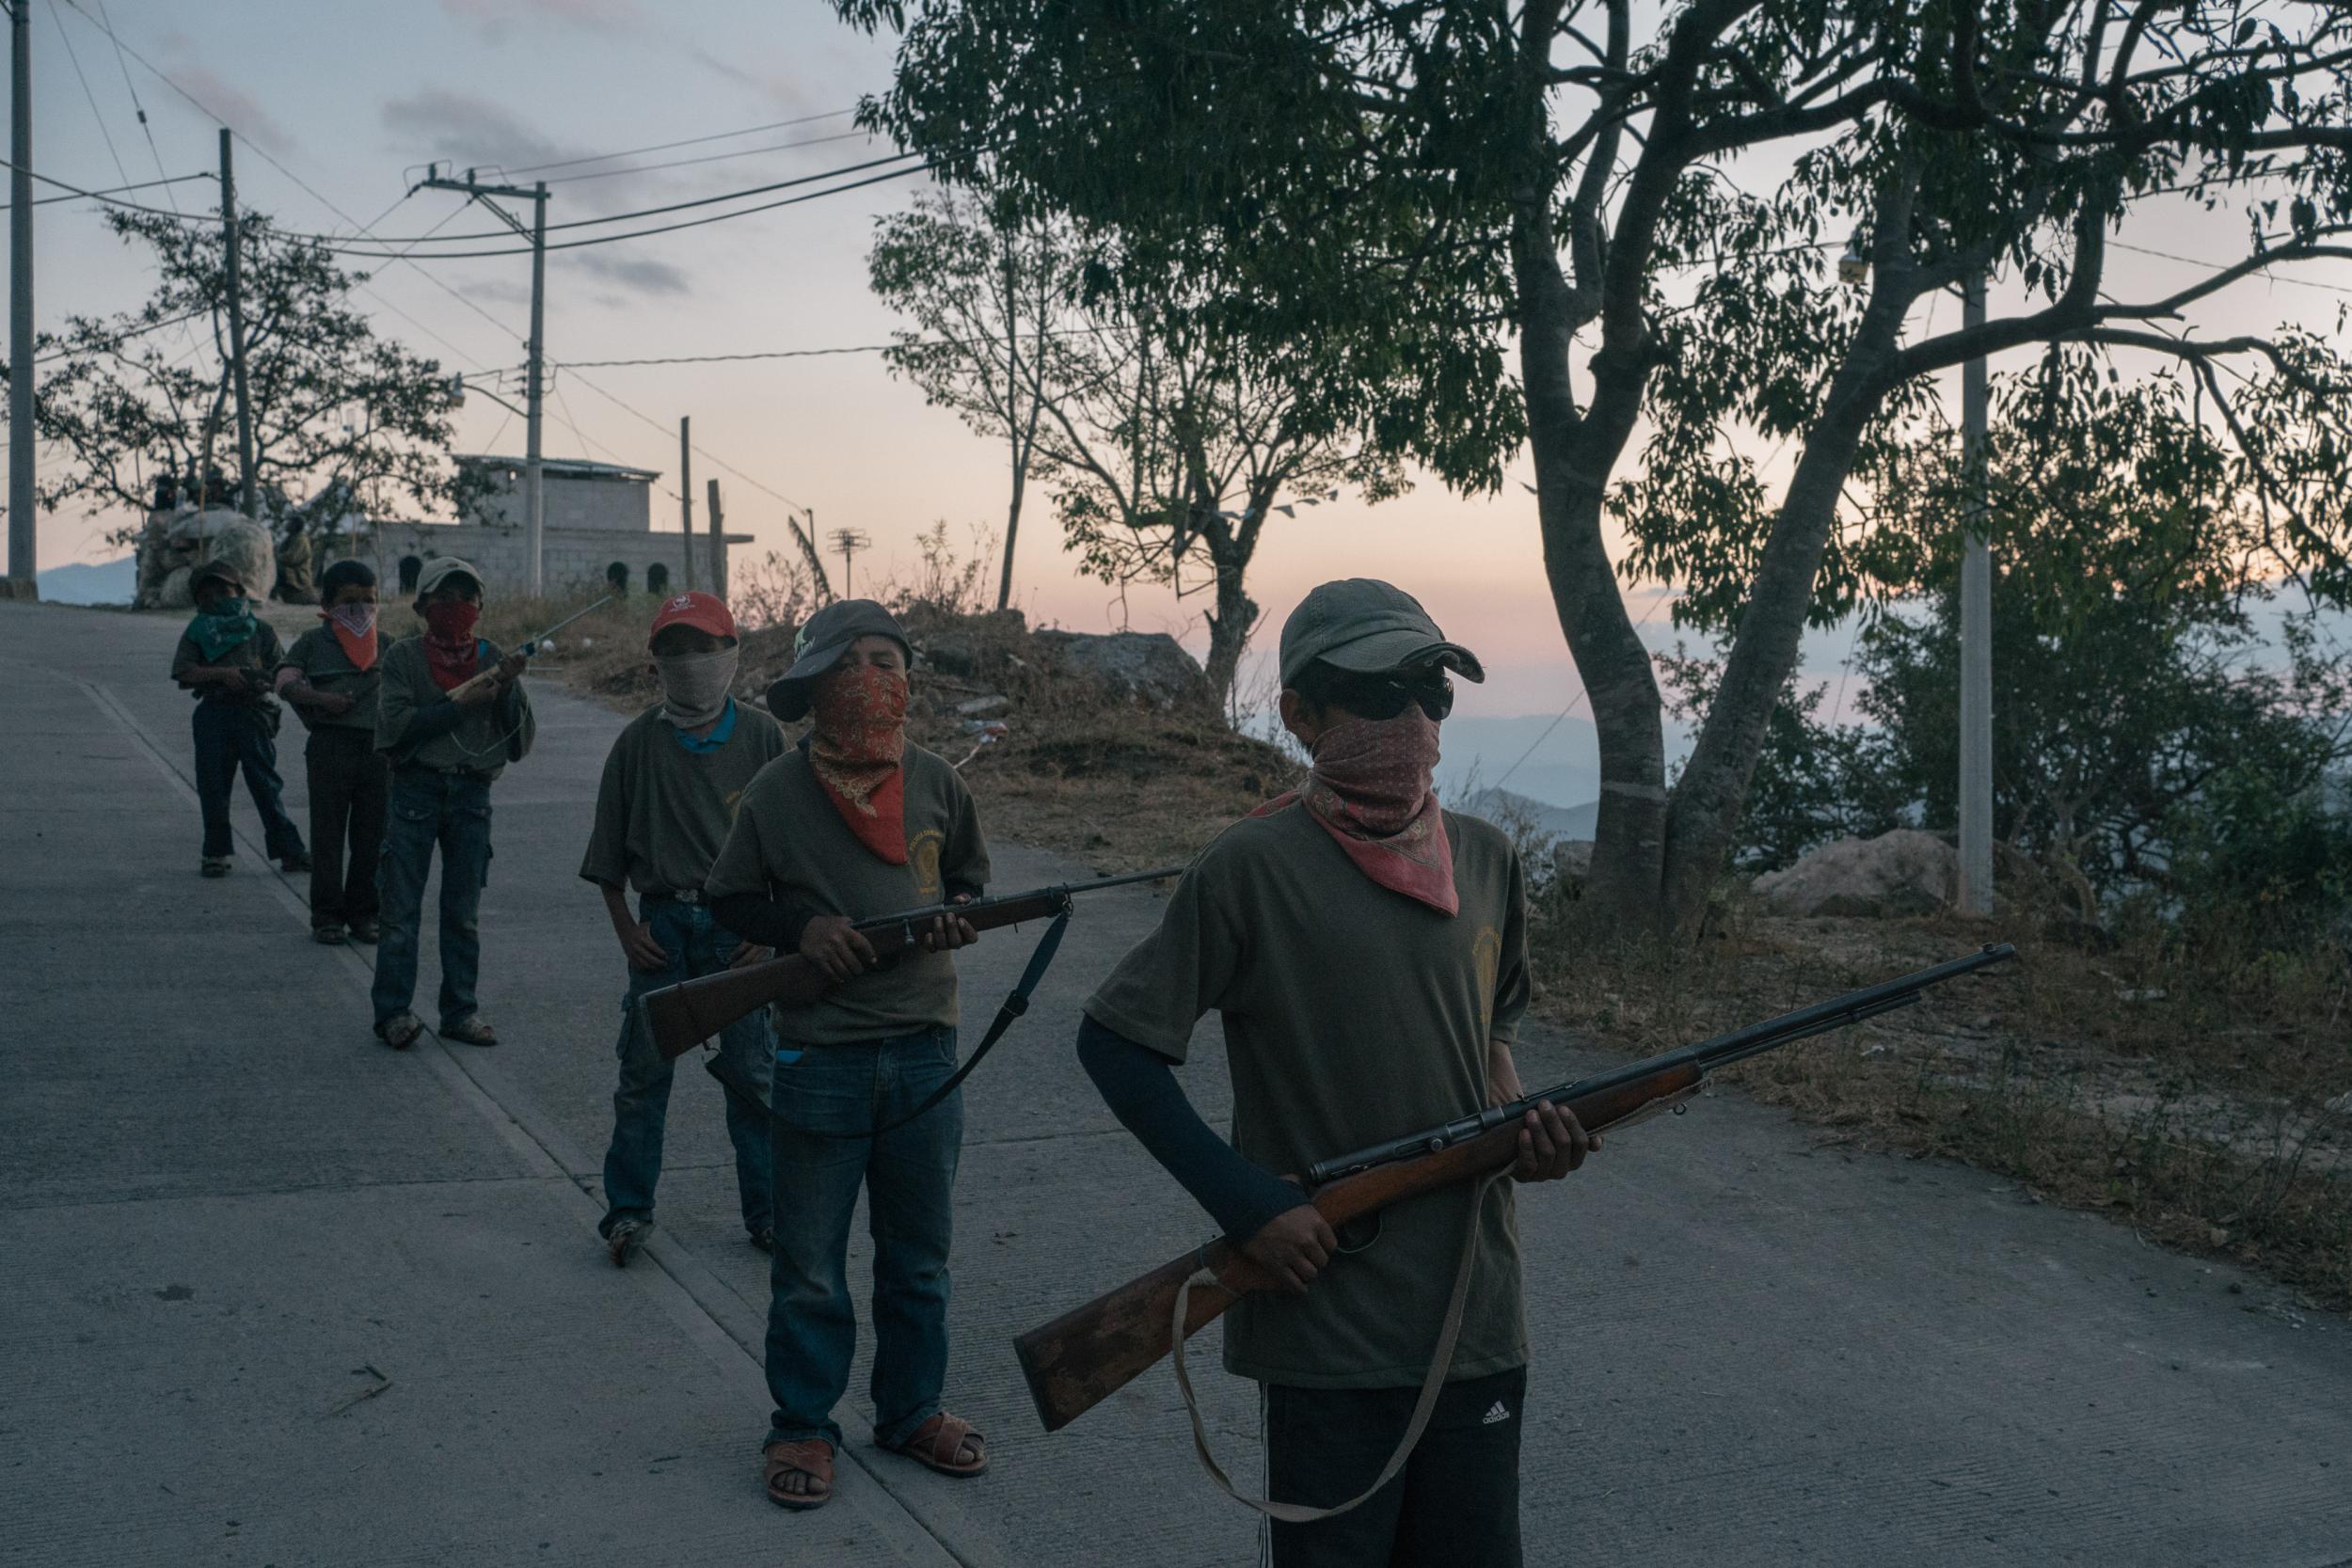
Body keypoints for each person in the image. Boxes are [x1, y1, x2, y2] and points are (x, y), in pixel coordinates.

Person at [1075, 578, 1597, 1568]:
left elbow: (1495, 1023)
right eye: (1379, 691)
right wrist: (1246, 1205)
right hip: (1329, 1319)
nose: (1411, 717)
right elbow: (1115, 1044)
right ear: (1301, 715)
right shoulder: (1249, 868)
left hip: (1474, 1307)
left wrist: (1522, 1126)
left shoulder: (1484, 858)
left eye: (1431, 691)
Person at [704, 598, 992, 1513]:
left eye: (887, 658)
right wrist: (806, 927)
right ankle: (801, 1422)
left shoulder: (941, 780)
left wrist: (955, 912)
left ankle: (910, 1410)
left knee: (918, 1258)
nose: (872, 676)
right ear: (816, 685)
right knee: (812, 1264)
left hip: (923, 1051)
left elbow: (971, 881)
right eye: (850, 661)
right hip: (820, 1055)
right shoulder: (778, 792)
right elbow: (731, 898)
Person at [580, 591, 787, 1267]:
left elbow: (791, 851)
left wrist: (775, 929)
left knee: (754, 1075)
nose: (689, 662)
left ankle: (769, 1213)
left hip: (740, 931)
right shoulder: (638, 742)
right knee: (643, 1075)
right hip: (662, 926)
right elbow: (607, 860)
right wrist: (624, 930)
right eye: (673, 649)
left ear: (731, 655)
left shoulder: (762, 737)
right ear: (655, 663)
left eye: (702, 647)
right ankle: (628, 1210)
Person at [371, 557, 534, 1051]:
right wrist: (459, 703)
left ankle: (460, 1011)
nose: (455, 607)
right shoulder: (402, 658)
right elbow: (397, 730)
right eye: (443, 597)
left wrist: (505, 688)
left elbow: (520, 740)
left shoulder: (492, 656)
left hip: (471, 796)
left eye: (465, 598)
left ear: (480, 607)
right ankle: (393, 1014)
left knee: (463, 913)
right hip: (415, 792)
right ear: (421, 606)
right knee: (400, 912)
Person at [170, 558, 310, 879]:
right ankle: (215, 853)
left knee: (266, 786)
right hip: (214, 714)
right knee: (213, 788)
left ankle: (289, 851)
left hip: (253, 714)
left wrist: (263, 681)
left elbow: (281, 670)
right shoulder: (197, 631)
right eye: (206, 595)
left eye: (223, 590)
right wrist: (223, 674)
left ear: (239, 591)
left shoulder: (260, 630)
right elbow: (182, 671)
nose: (216, 599)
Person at [275, 559, 389, 944]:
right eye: (349, 601)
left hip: (379, 752)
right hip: (330, 746)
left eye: (368, 600)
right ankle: (326, 916)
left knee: (372, 837)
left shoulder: (388, 644)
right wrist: (317, 699)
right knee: (327, 836)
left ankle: (365, 914)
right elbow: (285, 680)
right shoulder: (312, 641)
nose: (360, 610)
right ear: (327, 602)